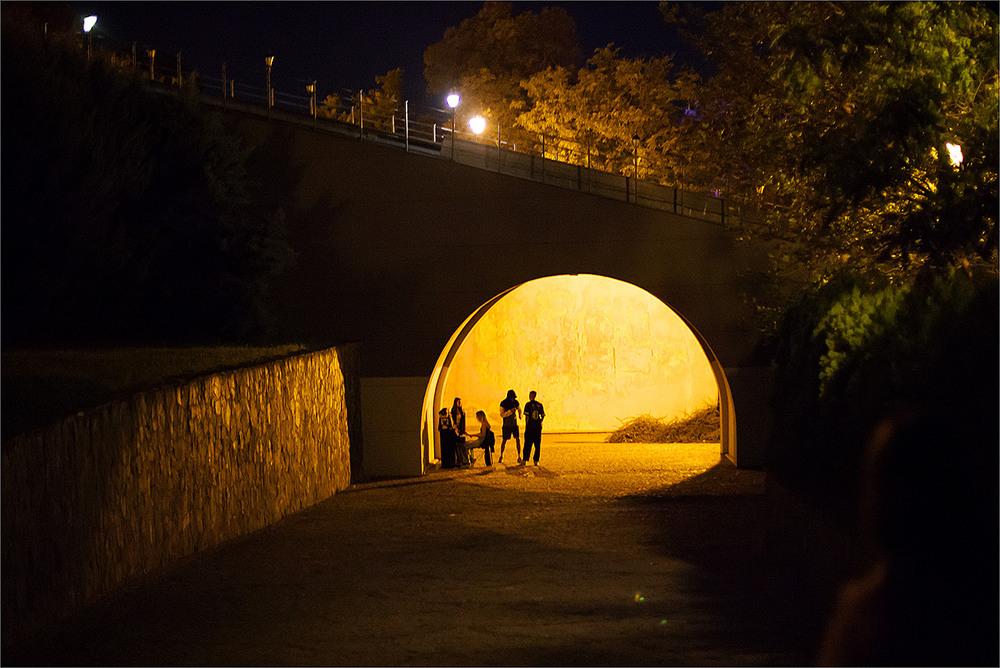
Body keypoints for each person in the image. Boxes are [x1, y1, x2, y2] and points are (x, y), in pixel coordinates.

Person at [521, 390, 545, 466]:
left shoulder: (528, 405)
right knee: (537, 445)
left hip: (530, 427)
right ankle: (536, 460)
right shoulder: (539, 405)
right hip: (537, 427)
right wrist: (540, 421)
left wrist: (526, 426)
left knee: (527, 444)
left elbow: (527, 417)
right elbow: (543, 415)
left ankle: (525, 459)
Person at [498, 389, 522, 464]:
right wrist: (511, 411)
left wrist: (520, 414)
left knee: (517, 439)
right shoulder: (503, 403)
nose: (513, 399)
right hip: (507, 425)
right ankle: (501, 455)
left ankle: (519, 456)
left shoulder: (515, 402)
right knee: (504, 440)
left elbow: (519, 409)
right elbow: (502, 414)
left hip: (514, 424)